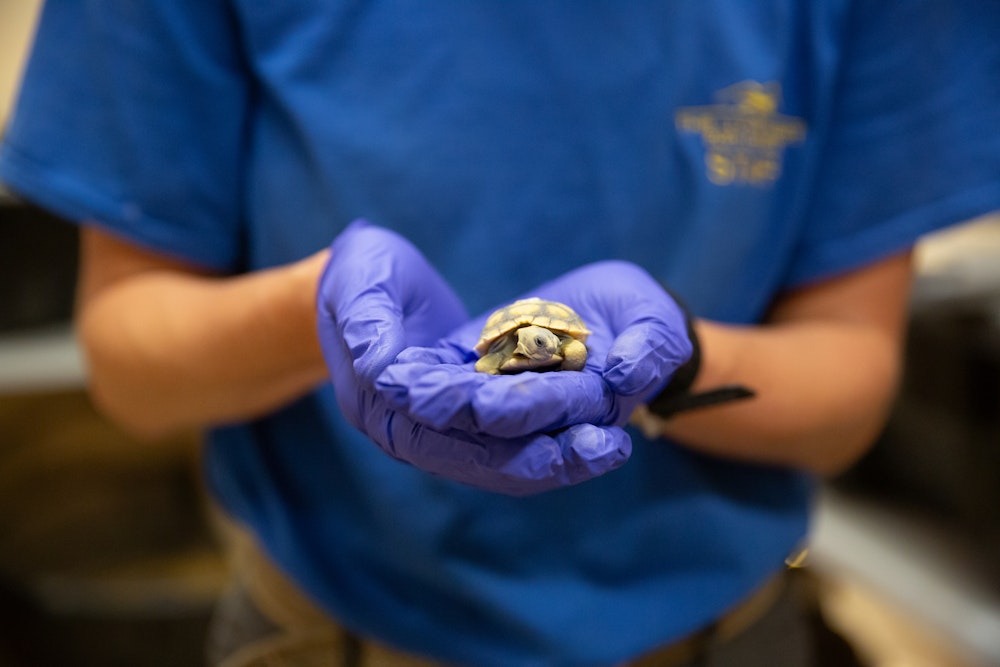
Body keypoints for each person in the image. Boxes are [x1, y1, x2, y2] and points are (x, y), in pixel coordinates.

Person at [2, 1, 998, 665]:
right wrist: (320, 311)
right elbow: (133, 366)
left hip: (726, 628)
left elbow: (848, 389)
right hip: (336, 620)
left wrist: (681, 360)